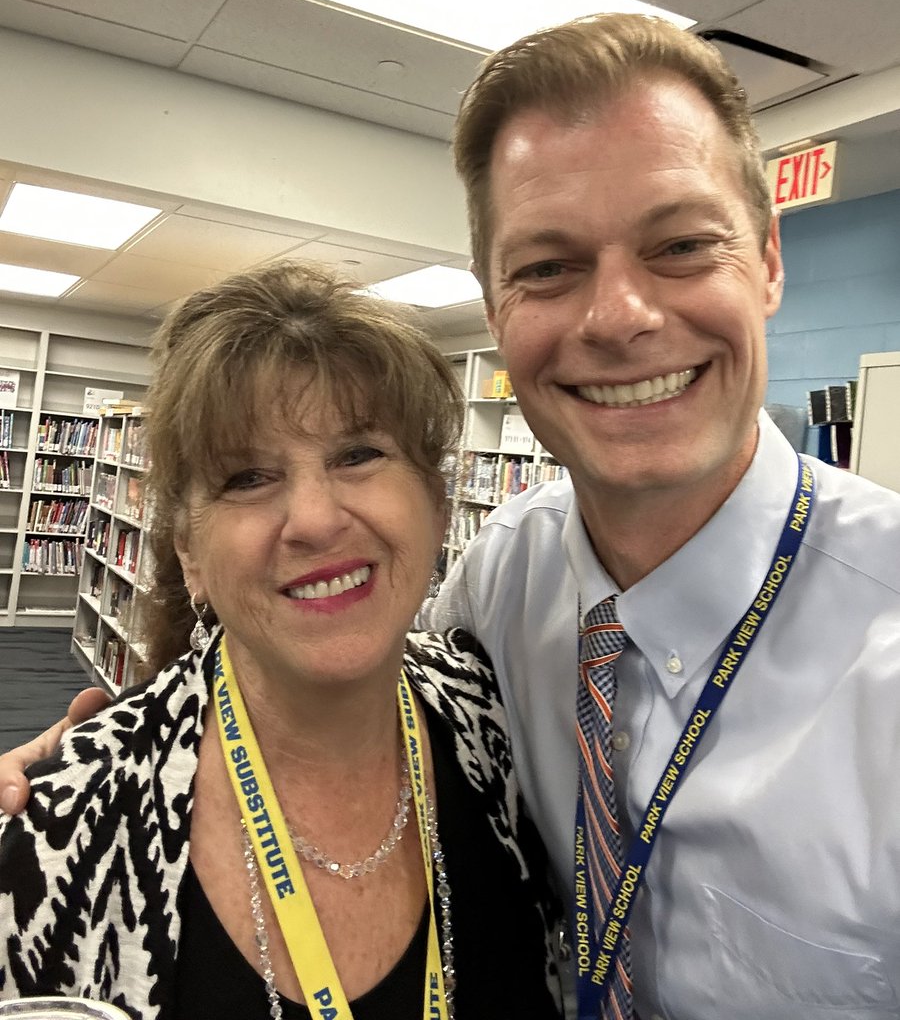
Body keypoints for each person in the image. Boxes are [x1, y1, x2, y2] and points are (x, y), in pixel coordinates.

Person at [5, 14, 900, 1018]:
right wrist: (83, 767)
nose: (620, 316)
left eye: (682, 245)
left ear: (769, 261)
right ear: (496, 303)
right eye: (549, 266)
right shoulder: (500, 590)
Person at [0, 260, 563, 1019]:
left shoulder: (492, 717)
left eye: (358, 455)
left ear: (436, 504)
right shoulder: (64, 828)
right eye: (248, 478)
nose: (316, 521)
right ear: (190, 554)